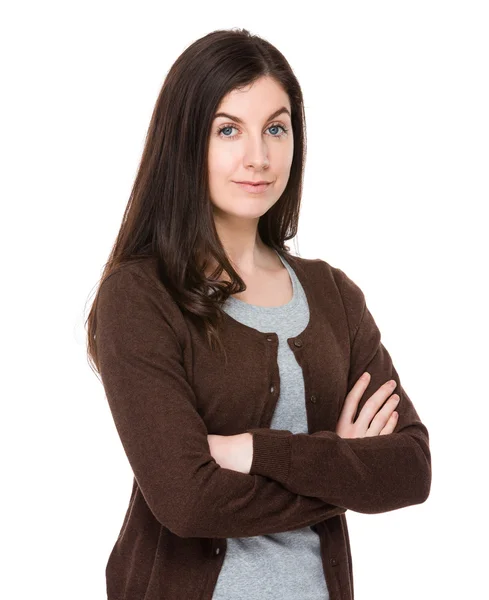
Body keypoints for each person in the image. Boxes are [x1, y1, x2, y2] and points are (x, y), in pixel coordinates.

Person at [86, 28, 431, 600]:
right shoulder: (140, 297)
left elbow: (411, 470)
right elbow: (187, 502)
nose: (259, 157)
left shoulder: (333, 296)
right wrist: (341, 465)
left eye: (276, 128)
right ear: (185, 141)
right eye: (228, 130)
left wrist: (251, 452)